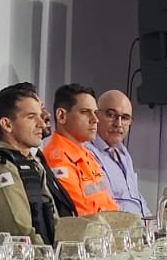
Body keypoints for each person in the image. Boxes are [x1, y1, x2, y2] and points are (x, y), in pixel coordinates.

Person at [0, 83, 76, 245]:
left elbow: (53, 218)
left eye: (39, 116)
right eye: (31, 117)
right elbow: (17, 230)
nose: (42, 124)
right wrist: (49, 258)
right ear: (7, 124)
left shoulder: (34, 162)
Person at [41, 83, 119, 215]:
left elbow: (108, 203)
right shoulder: (57, 159)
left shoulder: (86, 154)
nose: (95, 120)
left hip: (106, 230)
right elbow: (80, 216)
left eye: (95, 113)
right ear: (61, 116)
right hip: (88, 233)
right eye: (85, 112)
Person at [88, 89, 149, 216]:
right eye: (111, 115)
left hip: (140, 228)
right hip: (121, 230)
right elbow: (107, 209)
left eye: (125, 118)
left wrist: (155, 226)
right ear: (96, 115)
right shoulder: (89, 153)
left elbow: (136, 199)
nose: (118, 124)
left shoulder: (123, 152)